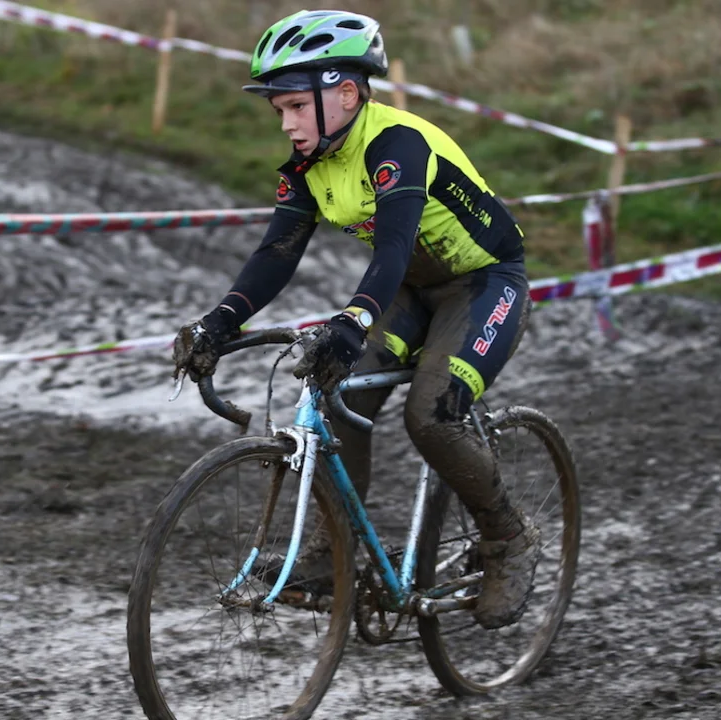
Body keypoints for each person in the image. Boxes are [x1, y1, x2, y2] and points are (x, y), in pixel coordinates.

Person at [171, 9, 537, 630]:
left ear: (345, 94)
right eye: (278, 110)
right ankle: (327, 551)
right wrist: (219, 323)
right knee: (334, 390)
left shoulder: (397, 145)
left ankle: (509, 538)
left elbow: (392, 245)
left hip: (483, 283)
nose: (286, 124)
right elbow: (277, 253)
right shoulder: (310, 163)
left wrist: (352, 320)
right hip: (413, 288)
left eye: (295, 106)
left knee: (431, 416)